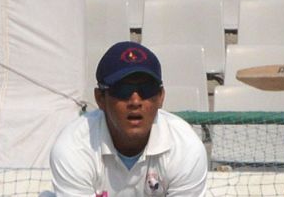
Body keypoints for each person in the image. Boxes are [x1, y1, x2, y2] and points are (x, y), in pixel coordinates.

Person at [49, 41, 208, 196]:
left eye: (147, 89)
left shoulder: (185, 148)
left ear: (161, 97)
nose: (135, 102)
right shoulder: (74, 147)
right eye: (122, 90)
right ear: (100, 98)